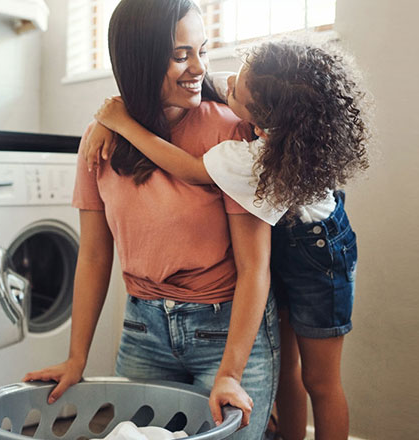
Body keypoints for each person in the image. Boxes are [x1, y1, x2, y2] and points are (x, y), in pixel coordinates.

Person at [85, 39, 371, 440]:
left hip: (319, 255)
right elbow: (161, 83)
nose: (227, 82)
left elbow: (188, 169)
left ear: (263, 120)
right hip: (280, 241)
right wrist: (112, 112)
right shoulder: (258, 92)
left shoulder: (251, 157)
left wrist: (122, 124)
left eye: (236, 90)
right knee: (286, 367)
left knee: (321, 382)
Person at [22, 1, 280, 439]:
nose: (199, 67)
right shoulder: (101, 139)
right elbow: (93, 257)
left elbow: (256, 267)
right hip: (143, 329)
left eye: (201, 50)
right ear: (140, 58)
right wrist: (76, 358)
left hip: (225, 331)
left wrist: (231, 373)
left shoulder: (229, 130)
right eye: (181, 55)